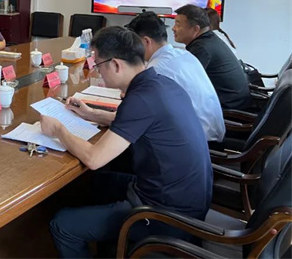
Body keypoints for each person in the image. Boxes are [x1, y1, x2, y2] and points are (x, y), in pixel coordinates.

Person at [41, 26, 212, 258]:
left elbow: (94, 158)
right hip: (184, 197)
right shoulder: (161, 83)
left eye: (98, 65)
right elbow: (139, 121)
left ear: (116, 64)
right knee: (92, 184)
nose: (98, 72)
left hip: (166, 215)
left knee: (62, 225)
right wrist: (91, 114)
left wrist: (58, 129)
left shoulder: (141, 99)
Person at [126, 11, 225, 144]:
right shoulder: (184, 55)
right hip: (211, 132)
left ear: (146, 41)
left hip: (198, 141)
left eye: (134, 45)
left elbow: (138, 115)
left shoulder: (157, 69)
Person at [173, 4, 251, 110]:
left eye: (178, 25)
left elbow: (185, 82)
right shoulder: (209, 40)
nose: (173, 28)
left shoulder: (202, 48)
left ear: (195, 29)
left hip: (229, 109)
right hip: (235, 102)